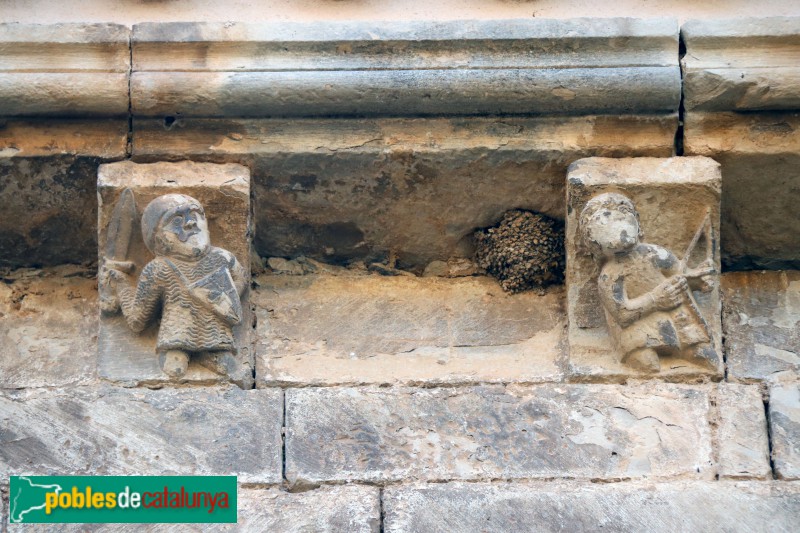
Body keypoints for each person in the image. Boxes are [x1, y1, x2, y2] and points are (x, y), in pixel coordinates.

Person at [101, 193, 248, 383]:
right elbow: (137, 319)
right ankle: (186, 352)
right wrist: (122, 286)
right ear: (159, 239)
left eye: (195, 215)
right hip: (176, 339)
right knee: (175, 368)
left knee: (226, 366)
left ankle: (208, 353)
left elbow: (240, 279)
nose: (190, 223)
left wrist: (222, 297)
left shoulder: (222, 258)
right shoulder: (158, 268)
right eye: (176, 221)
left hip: (217, 338)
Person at [579, 192, 719, 372]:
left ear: (638, 226)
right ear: (594, 244)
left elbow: (681, 276)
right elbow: (622, 314)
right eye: (604, 223)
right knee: (647, 364)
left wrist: (698, 279)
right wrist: (655, 299)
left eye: (622, 217)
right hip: (640, 330)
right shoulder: (610, 275)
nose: (617, 226)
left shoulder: (655, 254)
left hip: (677, 320)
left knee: (705, 357)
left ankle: (690, 348)